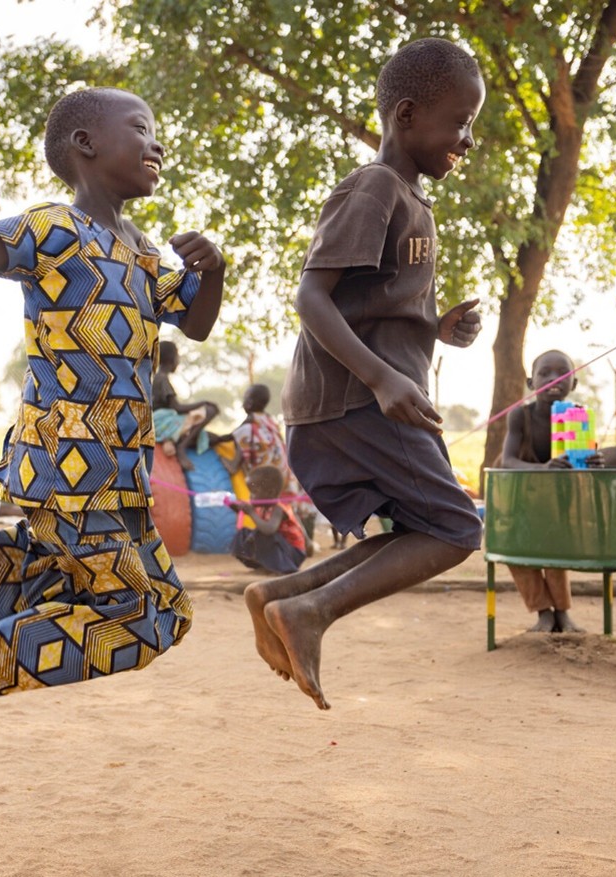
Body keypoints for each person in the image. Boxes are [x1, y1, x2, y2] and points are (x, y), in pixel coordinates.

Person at [0, 86, 226, 788]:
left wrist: (211, 270)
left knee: (160, 610)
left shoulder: (143, 253)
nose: (156, 144)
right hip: (68, 463)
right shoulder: (52, 229)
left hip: (116, 472)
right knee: (146, 617)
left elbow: (193, 322)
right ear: (86, 145)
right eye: (141, 128)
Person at [245, 38, 486, 710]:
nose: (467, 140)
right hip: (359, 399)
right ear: (406, 115)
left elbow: (371, 302)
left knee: (420, 531)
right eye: (459, 121)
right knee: (457, 530)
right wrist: (382, 378)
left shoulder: (411, 198)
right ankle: (309, 613)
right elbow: (311, 297)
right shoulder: (375, 185)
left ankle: (283, 595)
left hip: (370, 397)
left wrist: (436, 330)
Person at [497, 349, 604, 634]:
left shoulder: (579, 417)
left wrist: (594, 460)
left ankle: (562, 614)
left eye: (563, 373)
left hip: (559, 501)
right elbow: (508, 461)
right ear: (531, 383)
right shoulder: (520, 415)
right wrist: (543, 468)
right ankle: (543, 613)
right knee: (516, 552)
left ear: (574, 384)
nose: (554, 379)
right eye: (545, 373)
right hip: (521, 498)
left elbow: (583, 461)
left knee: (556, 553)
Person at [231, 382, 317, 546]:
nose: (243, 403)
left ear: (249, 403)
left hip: (268, 474)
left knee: (274, 512)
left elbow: (232, 439)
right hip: (283, 470)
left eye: (245, 399)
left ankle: (285, 546)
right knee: (287, 507)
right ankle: (306, 541)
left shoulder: (249, 423)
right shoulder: (269, 420)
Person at [152, 340, 226, 471]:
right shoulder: (162, 379)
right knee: (210, 410)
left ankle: (178, 442)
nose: (178, 361)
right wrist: (203, 403)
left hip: (161, 422)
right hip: (162, 422)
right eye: (177, 357)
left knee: (210, 438)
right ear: (171, 359)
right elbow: (177, 408)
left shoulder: (155, 377)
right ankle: (182, 447)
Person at [230, 465, 307, 574]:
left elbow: (269, 529)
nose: (250, 496)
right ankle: (262, 565)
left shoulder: (278, 509)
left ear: (270, 492)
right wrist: (234, 506)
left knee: (264, 535)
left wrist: (251, 512)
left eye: (254, 492)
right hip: (280, 548)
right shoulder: (261, 506)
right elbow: (245, 510)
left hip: (292, 553)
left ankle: (285, 568)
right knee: (244, 533)